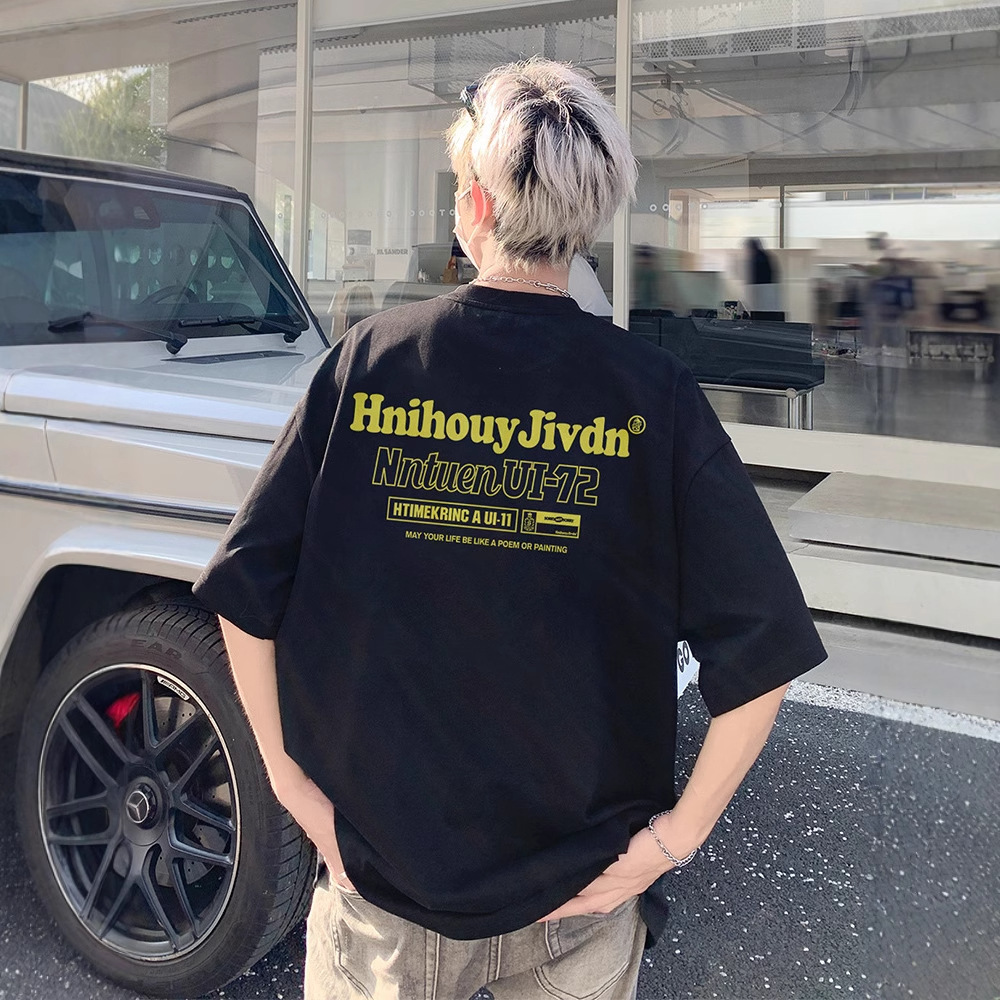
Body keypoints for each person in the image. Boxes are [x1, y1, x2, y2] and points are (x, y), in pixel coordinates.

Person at [193, 57, 827, 1000]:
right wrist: (672, 842)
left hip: (385, 893)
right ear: (584, 221)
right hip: (583, 897)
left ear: (479, 207)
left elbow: (246, 594)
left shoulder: (371, 363)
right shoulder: (653, 399)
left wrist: (289, 783)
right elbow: (764, 652)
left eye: (459, 186)